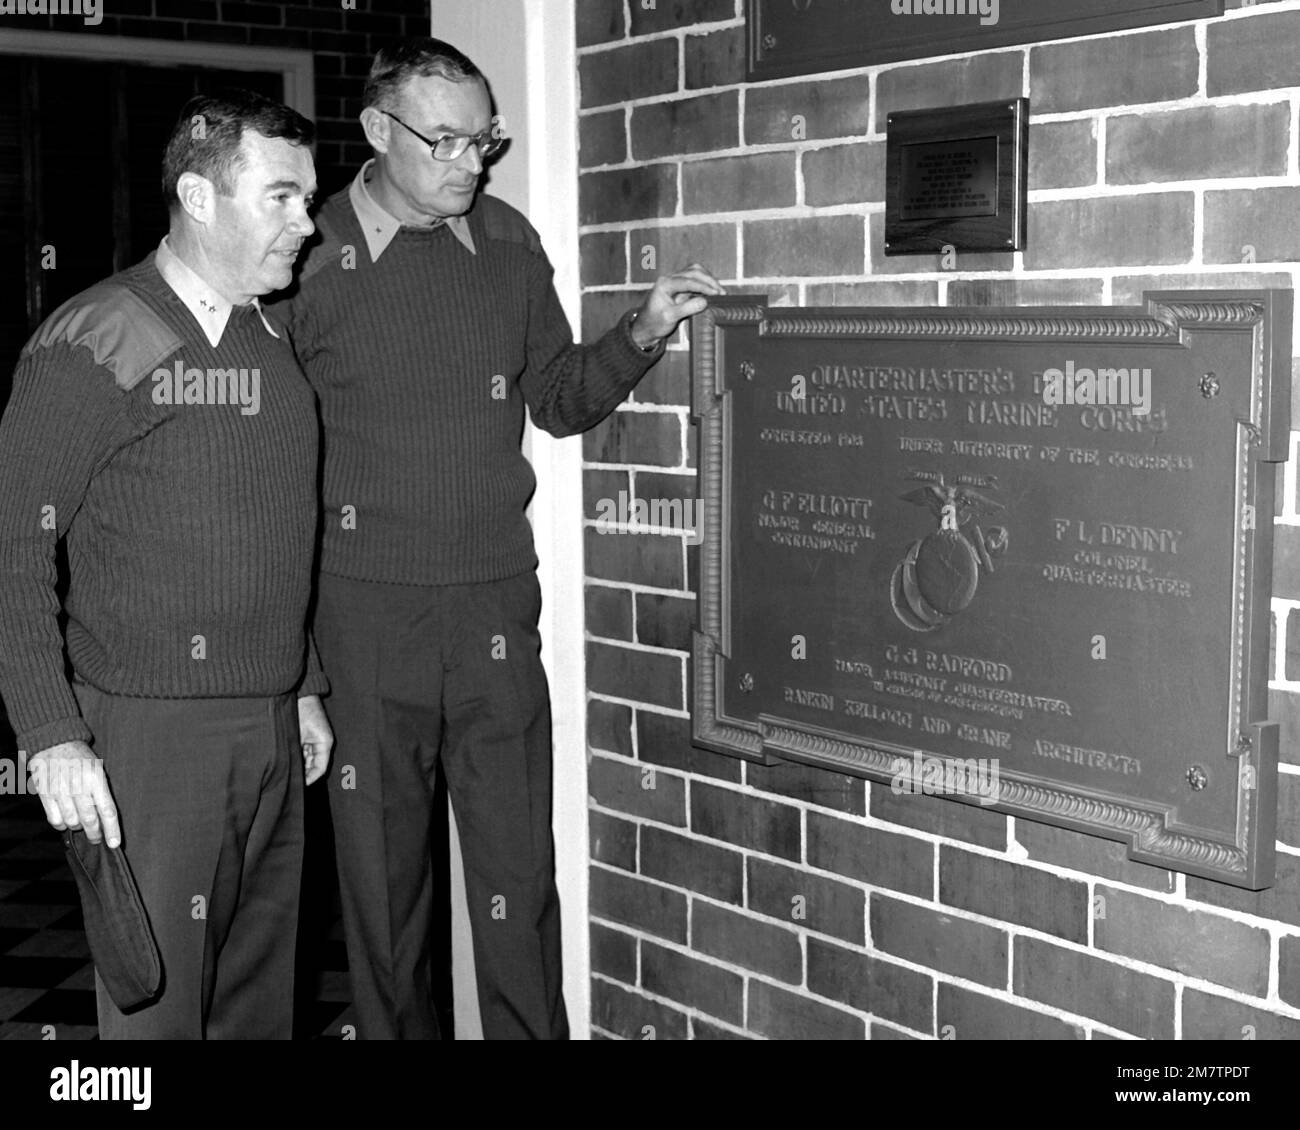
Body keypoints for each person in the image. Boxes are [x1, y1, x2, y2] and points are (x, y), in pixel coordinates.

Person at [276, 37, 722, 1040]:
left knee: (519, 882)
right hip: (360, 618)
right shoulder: (305, 253)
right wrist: (299, 661)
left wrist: (642, 330)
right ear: (377, 130)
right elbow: (269, 463)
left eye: (486, 141)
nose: (471, 164)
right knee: (386, 904)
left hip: (491, 610)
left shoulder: (511, 243)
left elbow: (560, 400)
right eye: (446, 141)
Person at [0, 90, 332, 1039]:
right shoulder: (97, 338)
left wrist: (302, 685)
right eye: (281, 198)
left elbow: (277, 529)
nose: (306, 227)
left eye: (308, 200)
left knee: (256, 1006)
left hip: (270, 728)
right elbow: (13, 546)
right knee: (156, 1013)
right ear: (197, 195)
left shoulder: (274, 338)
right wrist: (52, 735)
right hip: (149, 735)